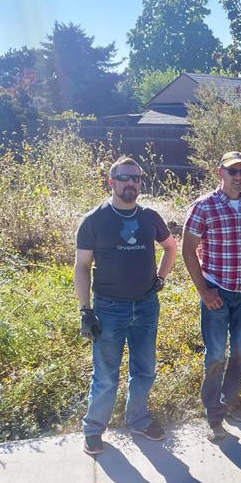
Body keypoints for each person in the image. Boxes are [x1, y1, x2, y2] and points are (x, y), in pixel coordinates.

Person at [75, 156, 177, 456]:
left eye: (136, 178)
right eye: (124, 177)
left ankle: (139, 419)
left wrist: (161, 278)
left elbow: (170, 247)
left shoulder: (150, 217)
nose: (130, 183)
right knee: (105, 375)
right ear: (111, 181)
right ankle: (93, 429)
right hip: (108, 309)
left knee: (144, 369)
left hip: (146, 306)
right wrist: (85, 310)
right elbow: (81, 266)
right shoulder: (94, 220)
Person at [183, 151, 241, 440]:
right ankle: (214, 411)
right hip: (216, 291)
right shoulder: (204, 206)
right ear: (220, 173)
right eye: (233, 172)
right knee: (216, 354)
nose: (239, 177)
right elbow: (187, 249)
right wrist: (203, 290)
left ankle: (231, 400)